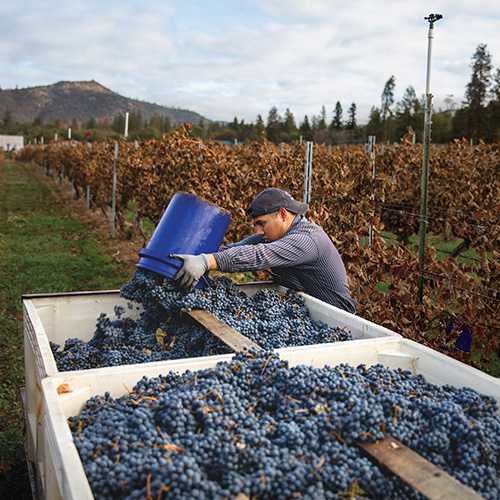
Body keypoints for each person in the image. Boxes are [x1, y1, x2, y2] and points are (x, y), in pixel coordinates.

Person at [171, 188, 357, 314]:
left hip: (339, 319)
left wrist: (205, 262)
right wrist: (193, 256)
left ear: (283, 215)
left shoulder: (307, 241)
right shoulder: (275, 235)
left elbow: (258, 255)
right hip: (306, 311)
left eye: (262, 224)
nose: (258, 232)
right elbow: (237, 249)